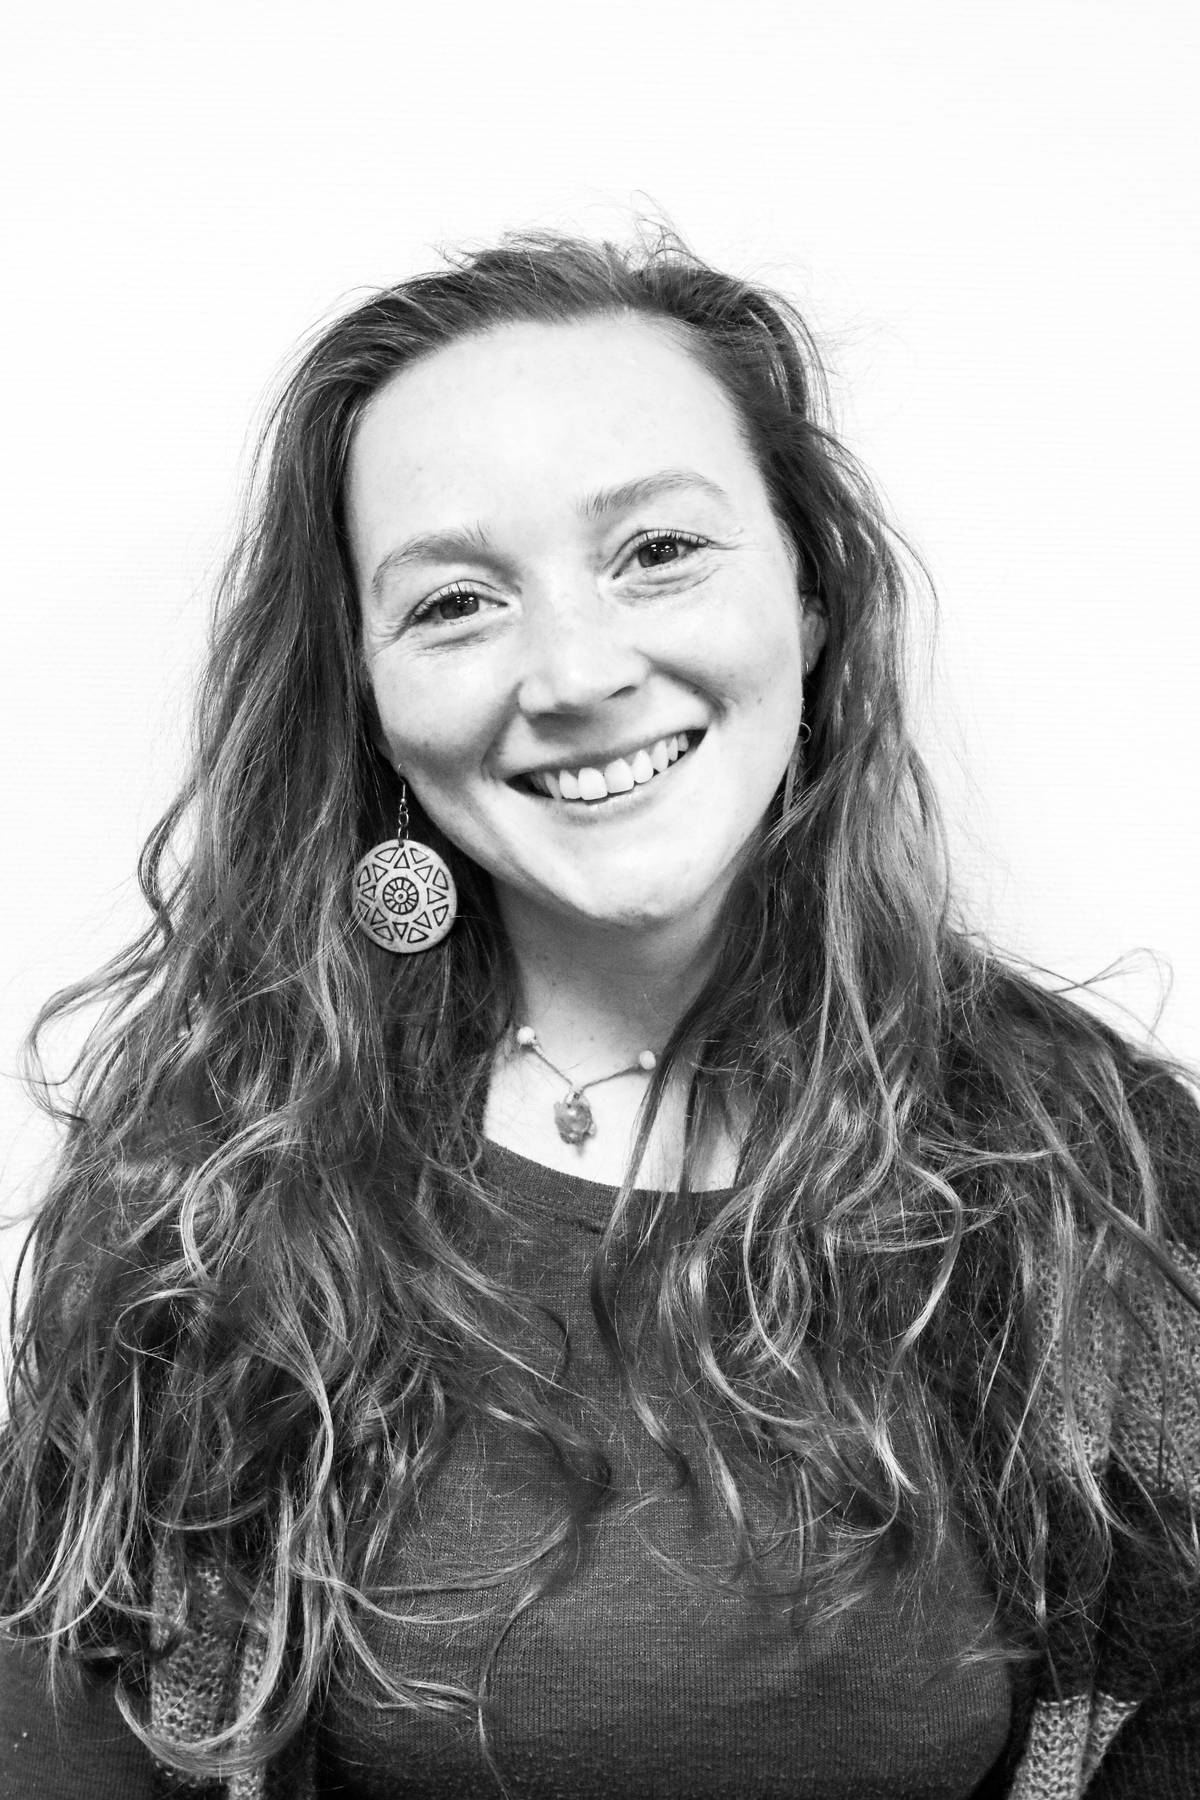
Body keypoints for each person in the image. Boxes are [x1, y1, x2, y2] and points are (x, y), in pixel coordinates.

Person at [1, 223, 1198, 1800]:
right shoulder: (214, 1185)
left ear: (812, 597)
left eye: (658, 551)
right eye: (454, 603)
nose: (572, 673)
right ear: (370, 697)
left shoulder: (1099, 1173)